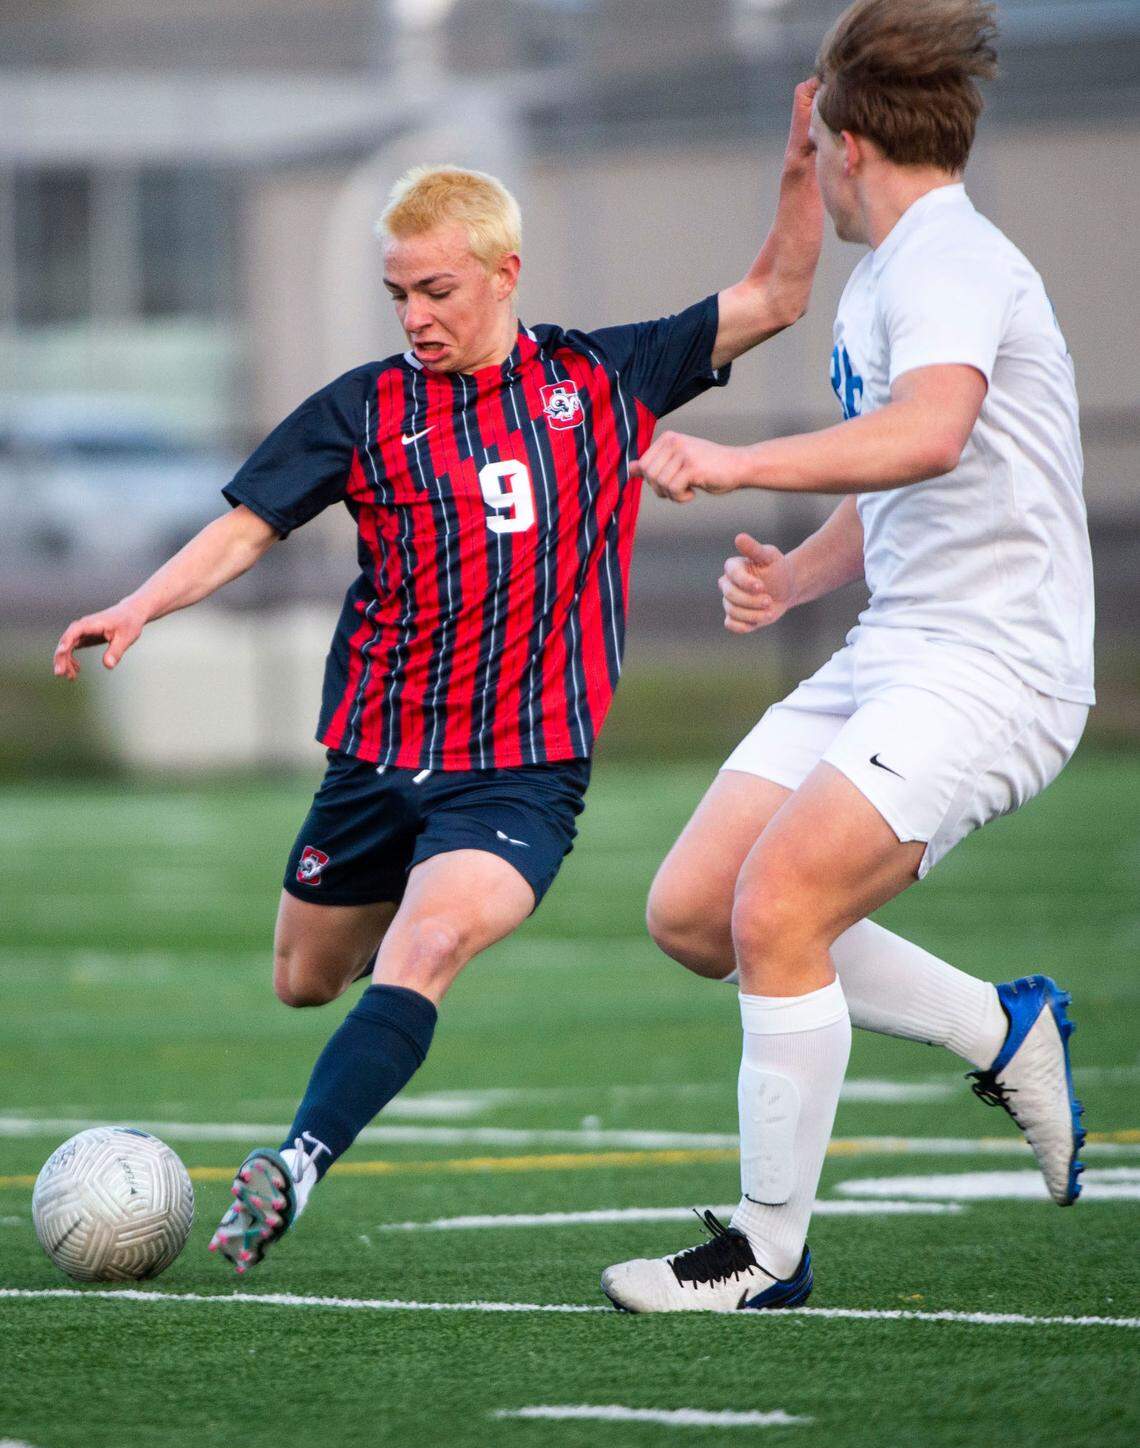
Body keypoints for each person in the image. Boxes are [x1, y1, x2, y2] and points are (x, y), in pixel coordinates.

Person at [53, 87, 824, 1274]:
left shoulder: (604, 378)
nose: (415, 314)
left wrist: (800, 172)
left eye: (437, 290)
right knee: (305, 980)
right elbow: (250, 525)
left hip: (517, 776)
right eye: (398, 295)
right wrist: (139, 603)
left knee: (424, 951)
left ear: (504, 273)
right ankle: (390, 938)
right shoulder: (363, 410)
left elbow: (775, 294)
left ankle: (296, 1165)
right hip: (376, 757)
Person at [599, 0, 1093, 1314]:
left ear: (851, 140)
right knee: (700, 908)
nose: (810, 154)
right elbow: (909, 483)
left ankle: (763, 1250)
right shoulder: (897, 270)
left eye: (817, 137)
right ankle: (1004, 1027)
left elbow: (930, 433)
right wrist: (801, 570)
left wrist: (737, 459)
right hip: (902, 646)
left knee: (778, 909)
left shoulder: (945, 263)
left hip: (997, 667)